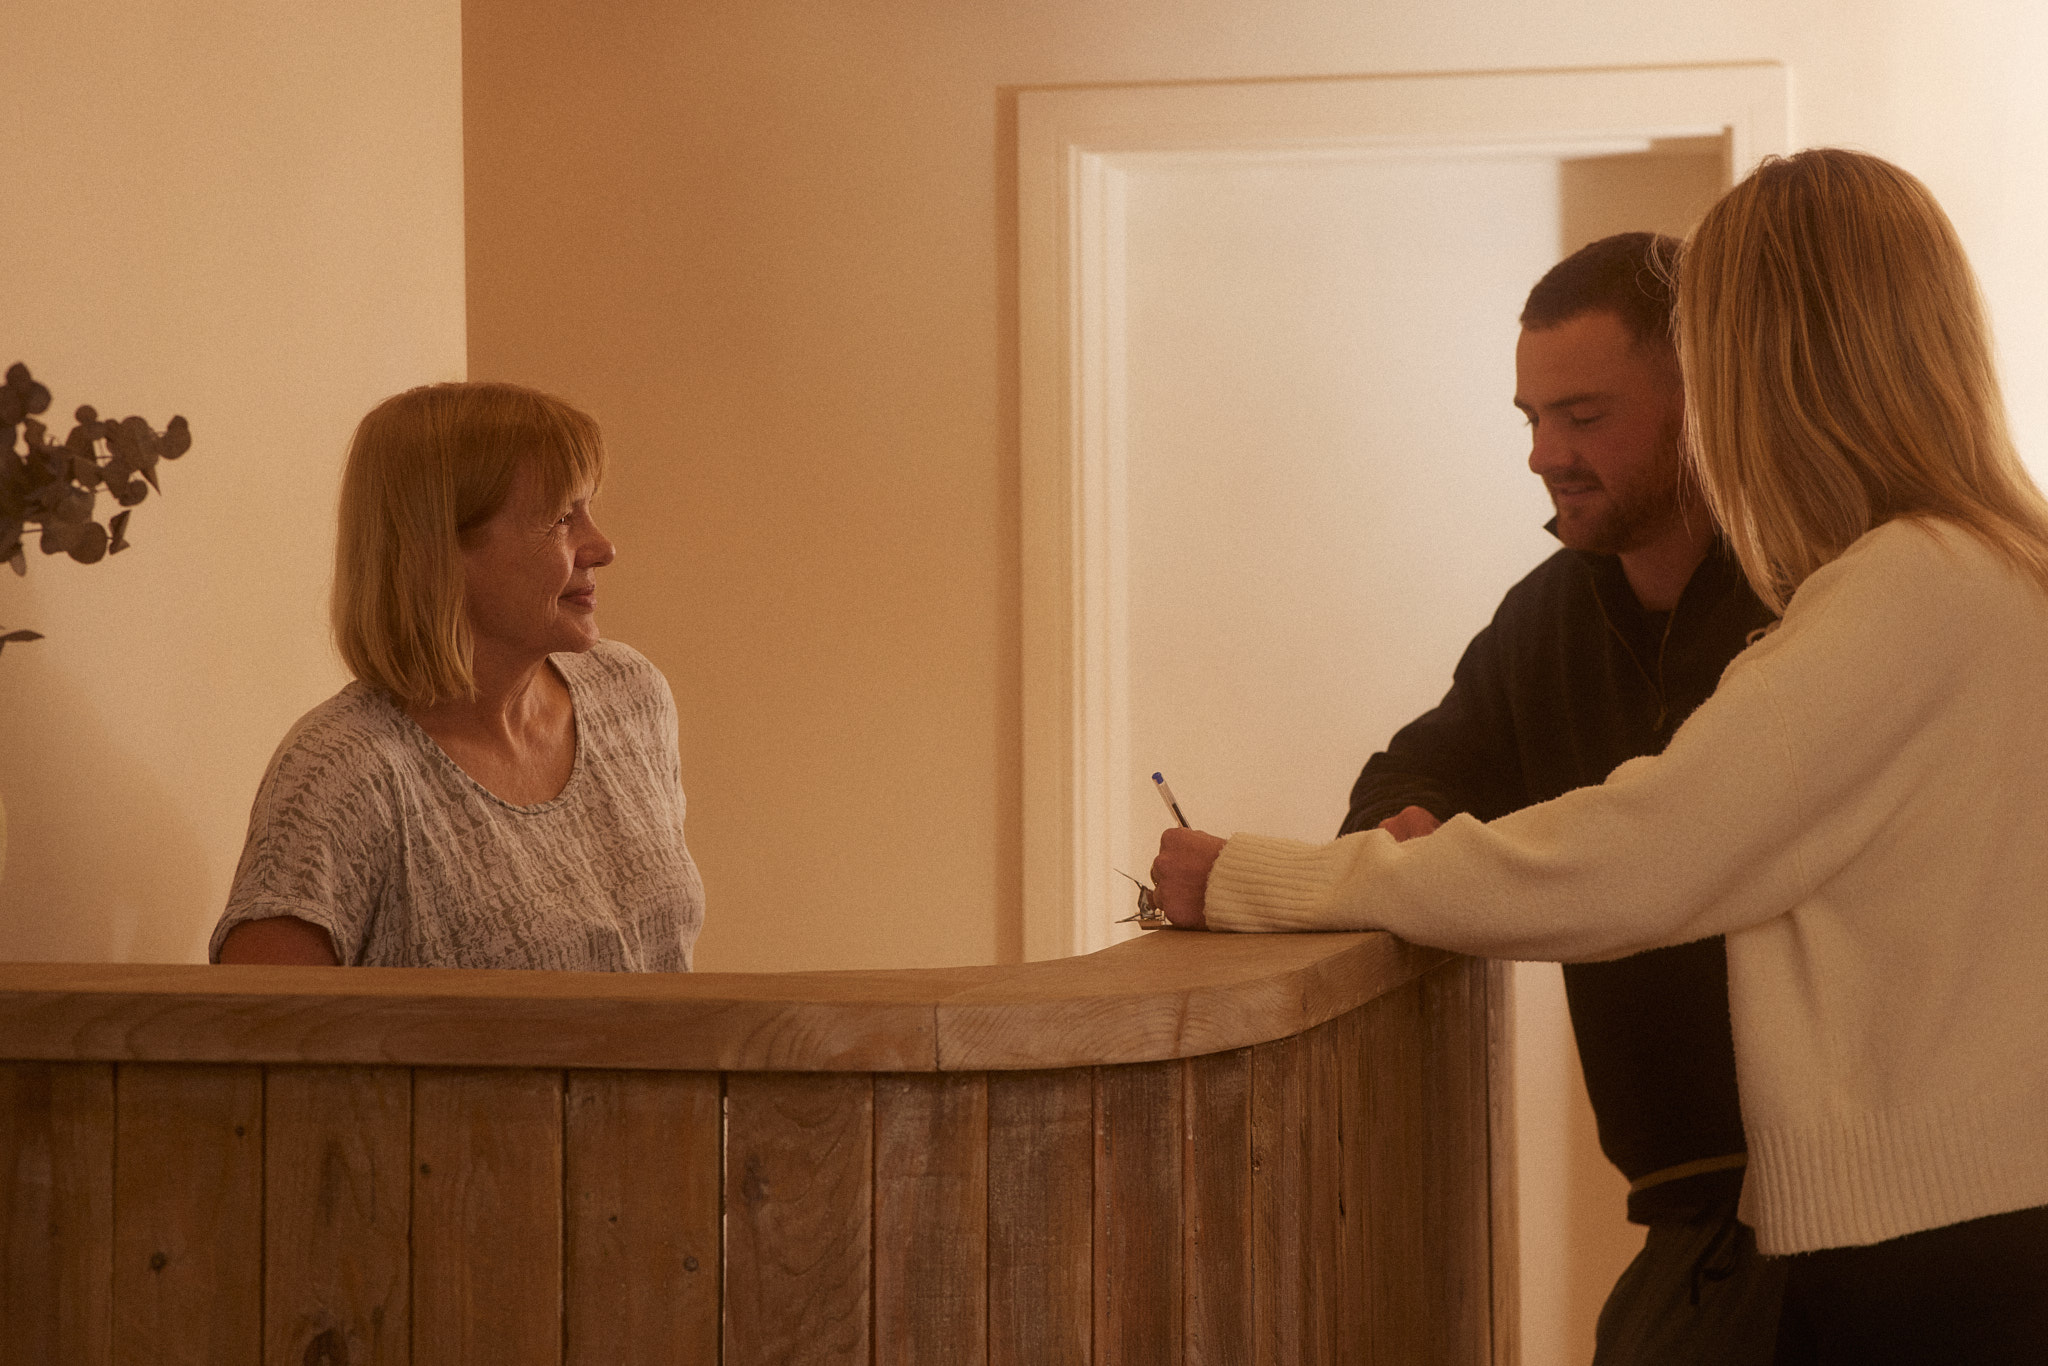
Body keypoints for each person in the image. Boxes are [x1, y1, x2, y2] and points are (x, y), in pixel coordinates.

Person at [1153, 148, 2048, 1361]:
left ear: (1772, 366)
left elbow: (1636, 858)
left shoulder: (1903, 586)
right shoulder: (1997, 568)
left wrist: (1267, 879)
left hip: (1941, 1258)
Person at [1337, 230, 1784, 1362]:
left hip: (1841, 1206)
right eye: (1528, 420)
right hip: (1686, 1216)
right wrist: (1414, 831)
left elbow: (1652, 859)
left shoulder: (1811, 593)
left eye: (1582, 417)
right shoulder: (1545, 616)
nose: (1542, 455)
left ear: (1699, 397)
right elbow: (1403, 777)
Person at [211, 381, 704, 970]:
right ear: (439, 550)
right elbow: (256, 1036)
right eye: (560, 519)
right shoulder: (343, 769)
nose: (601, 546)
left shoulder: (630, 693)